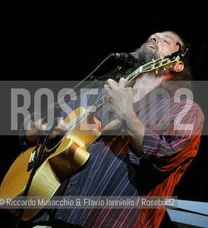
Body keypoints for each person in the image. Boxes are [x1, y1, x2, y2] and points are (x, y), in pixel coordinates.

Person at [19, 31, 204, 228]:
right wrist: (42, 128)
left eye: (166, 40)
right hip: (51, 215)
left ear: (177, 64)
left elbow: (164, 156)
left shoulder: (184, 110)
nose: (154, 39)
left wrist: (126, 114)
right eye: (153, 37)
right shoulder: (99, 95)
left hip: (108, 221)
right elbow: (31, 128)